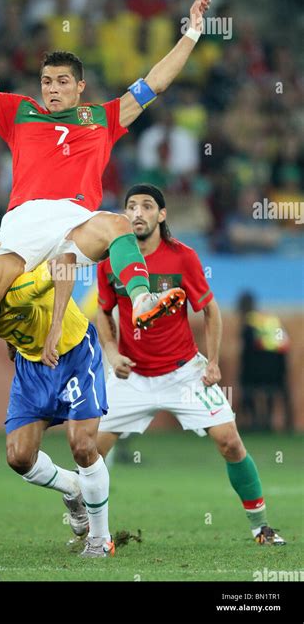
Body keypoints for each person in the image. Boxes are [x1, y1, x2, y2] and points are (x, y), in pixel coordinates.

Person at [0, 0, 211, 475]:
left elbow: (156, 82)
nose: (52, 89)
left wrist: (190, 32)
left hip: (73, 221)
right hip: (24, 221)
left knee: (118, 224)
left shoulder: (104, 118)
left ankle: (144, 298)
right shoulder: (18, 111)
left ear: (80, 86)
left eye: (63, 81)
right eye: (47, 81)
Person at [95, 184, 286, 546]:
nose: (137, 213)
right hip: (130, 374)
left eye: (147, 206)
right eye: (131, 206)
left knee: (230, 442)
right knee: (88, 451)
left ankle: (260, 527)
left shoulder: (183, 257)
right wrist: (111, 351)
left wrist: (212, 362)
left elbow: (210, 310)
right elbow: (103, 312)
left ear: (161, 215)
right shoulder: (110, 261)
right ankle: (89, 531)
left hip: (184, 373)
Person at [0, 260, 114, 557]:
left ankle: (100, 539)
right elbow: (7, 324)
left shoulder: (19, 288)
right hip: (32, 369)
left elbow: (65, 266)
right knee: (19, 458)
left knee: (82, 446)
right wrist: (12, 341)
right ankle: (73, 489)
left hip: (75, 357)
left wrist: (55, 327)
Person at [237, 292, 293, 432]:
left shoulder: (249, 323)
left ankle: (255, 421)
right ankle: (268, 421)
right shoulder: (270, 319)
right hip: (277, 369)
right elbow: (284, 343)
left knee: (246, 385)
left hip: (257, 370)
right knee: (272, 390)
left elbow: (247, 352)